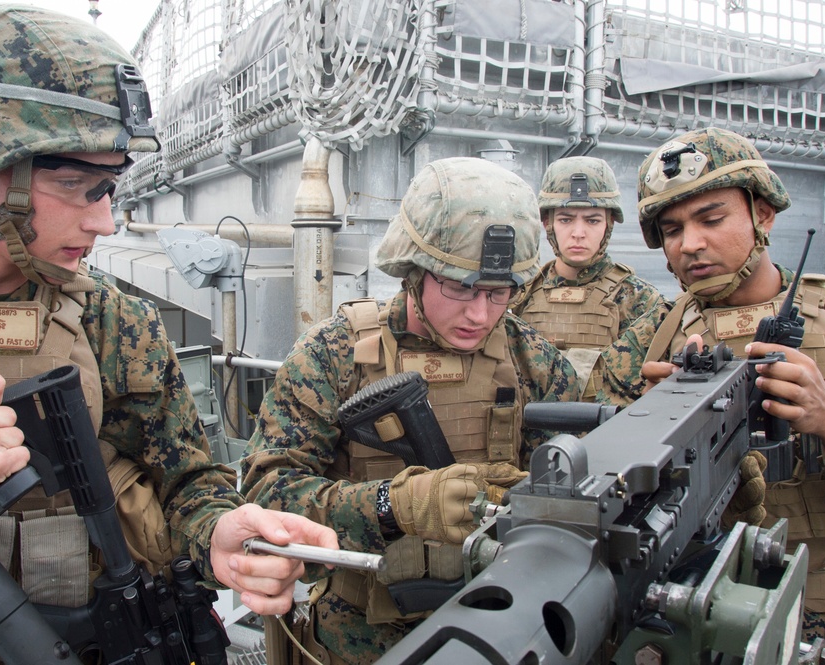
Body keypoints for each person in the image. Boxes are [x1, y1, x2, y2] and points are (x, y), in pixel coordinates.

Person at [0, 6, 337, 664]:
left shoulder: (116, 324)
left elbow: (189, 484)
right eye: (77, 186)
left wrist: (221, 531)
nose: (107, 222)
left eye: (109, 188)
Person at [241, 157, 579, 665]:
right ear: (415, 271)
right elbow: (266, 500)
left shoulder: (533, 361)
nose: (479, 314)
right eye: (460, 287)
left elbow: (575, 494)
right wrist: (391, 506)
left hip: (499, 629)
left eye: (497, 293)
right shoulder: (333, 356)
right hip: (359, 641)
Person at [595, 127, 825, 664]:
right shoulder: (644, 342)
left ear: (762, 214)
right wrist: (642, 426)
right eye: (672, 229)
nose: (689, 243)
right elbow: (590, 482)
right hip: (684, 614)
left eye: (711, 219)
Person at [513, 156, 663, 399]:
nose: (578, 233)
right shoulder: (521, 295)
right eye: (566, 219)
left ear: (609, 224)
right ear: (547, 223)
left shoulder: (640, 300)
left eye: (592, 220)